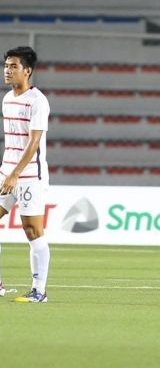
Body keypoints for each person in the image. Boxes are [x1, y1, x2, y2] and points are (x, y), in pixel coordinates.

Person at [0, 46, 50, 302]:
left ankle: (39, 291)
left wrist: (14, 175)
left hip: (30, 175)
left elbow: (33, 144)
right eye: (6, 66)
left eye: (13, 66)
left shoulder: (38, 101)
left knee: (32, 230)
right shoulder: (7, 98)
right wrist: (6, 172)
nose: (7, 71)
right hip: (6, 171)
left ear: (27, 71)